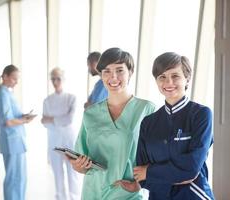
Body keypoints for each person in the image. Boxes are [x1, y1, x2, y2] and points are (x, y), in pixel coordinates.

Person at [69, 47, 155, 200]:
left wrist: (141, 184)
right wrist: (79, 166)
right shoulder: (90, 114)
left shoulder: (146, 109)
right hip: (93, 192)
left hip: (128, 193)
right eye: (107, 71)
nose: (113, 77)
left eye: (120, 70)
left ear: (130, 72)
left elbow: (157, 159)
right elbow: (80, 160)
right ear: (101, 75)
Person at [133, 52, 215, 199]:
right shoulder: (148, 122)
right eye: (162, 77)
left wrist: (150, 172)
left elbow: (192, 167)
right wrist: (175, 173)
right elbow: (141, 176)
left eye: (175, 76)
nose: (168, 82)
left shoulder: (201, 115)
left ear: (187, 78)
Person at [0, 64, 36, 200]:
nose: (16, 82)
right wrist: (24, 120)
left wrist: (23, 116)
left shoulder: (8, 93)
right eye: (14, 79)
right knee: (13, 177)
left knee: (20, 176)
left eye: (17, 79)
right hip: (11, 142)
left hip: (16, 141)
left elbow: (13, 116)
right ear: (5, 76)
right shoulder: (3, 94)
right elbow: (8, 121)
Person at [41, 67, 81, 200]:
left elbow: (69, 119)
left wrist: (51, 119)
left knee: (72, 173)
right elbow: (45, 123)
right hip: (54, 141)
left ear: (63, 79)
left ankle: (74, 197)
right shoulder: (47, 101)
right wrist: (58, 120)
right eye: (53, 78)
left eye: (58, 78)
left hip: (69, 140)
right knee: (57, 174)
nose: (55, 81)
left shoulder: (71, 98)